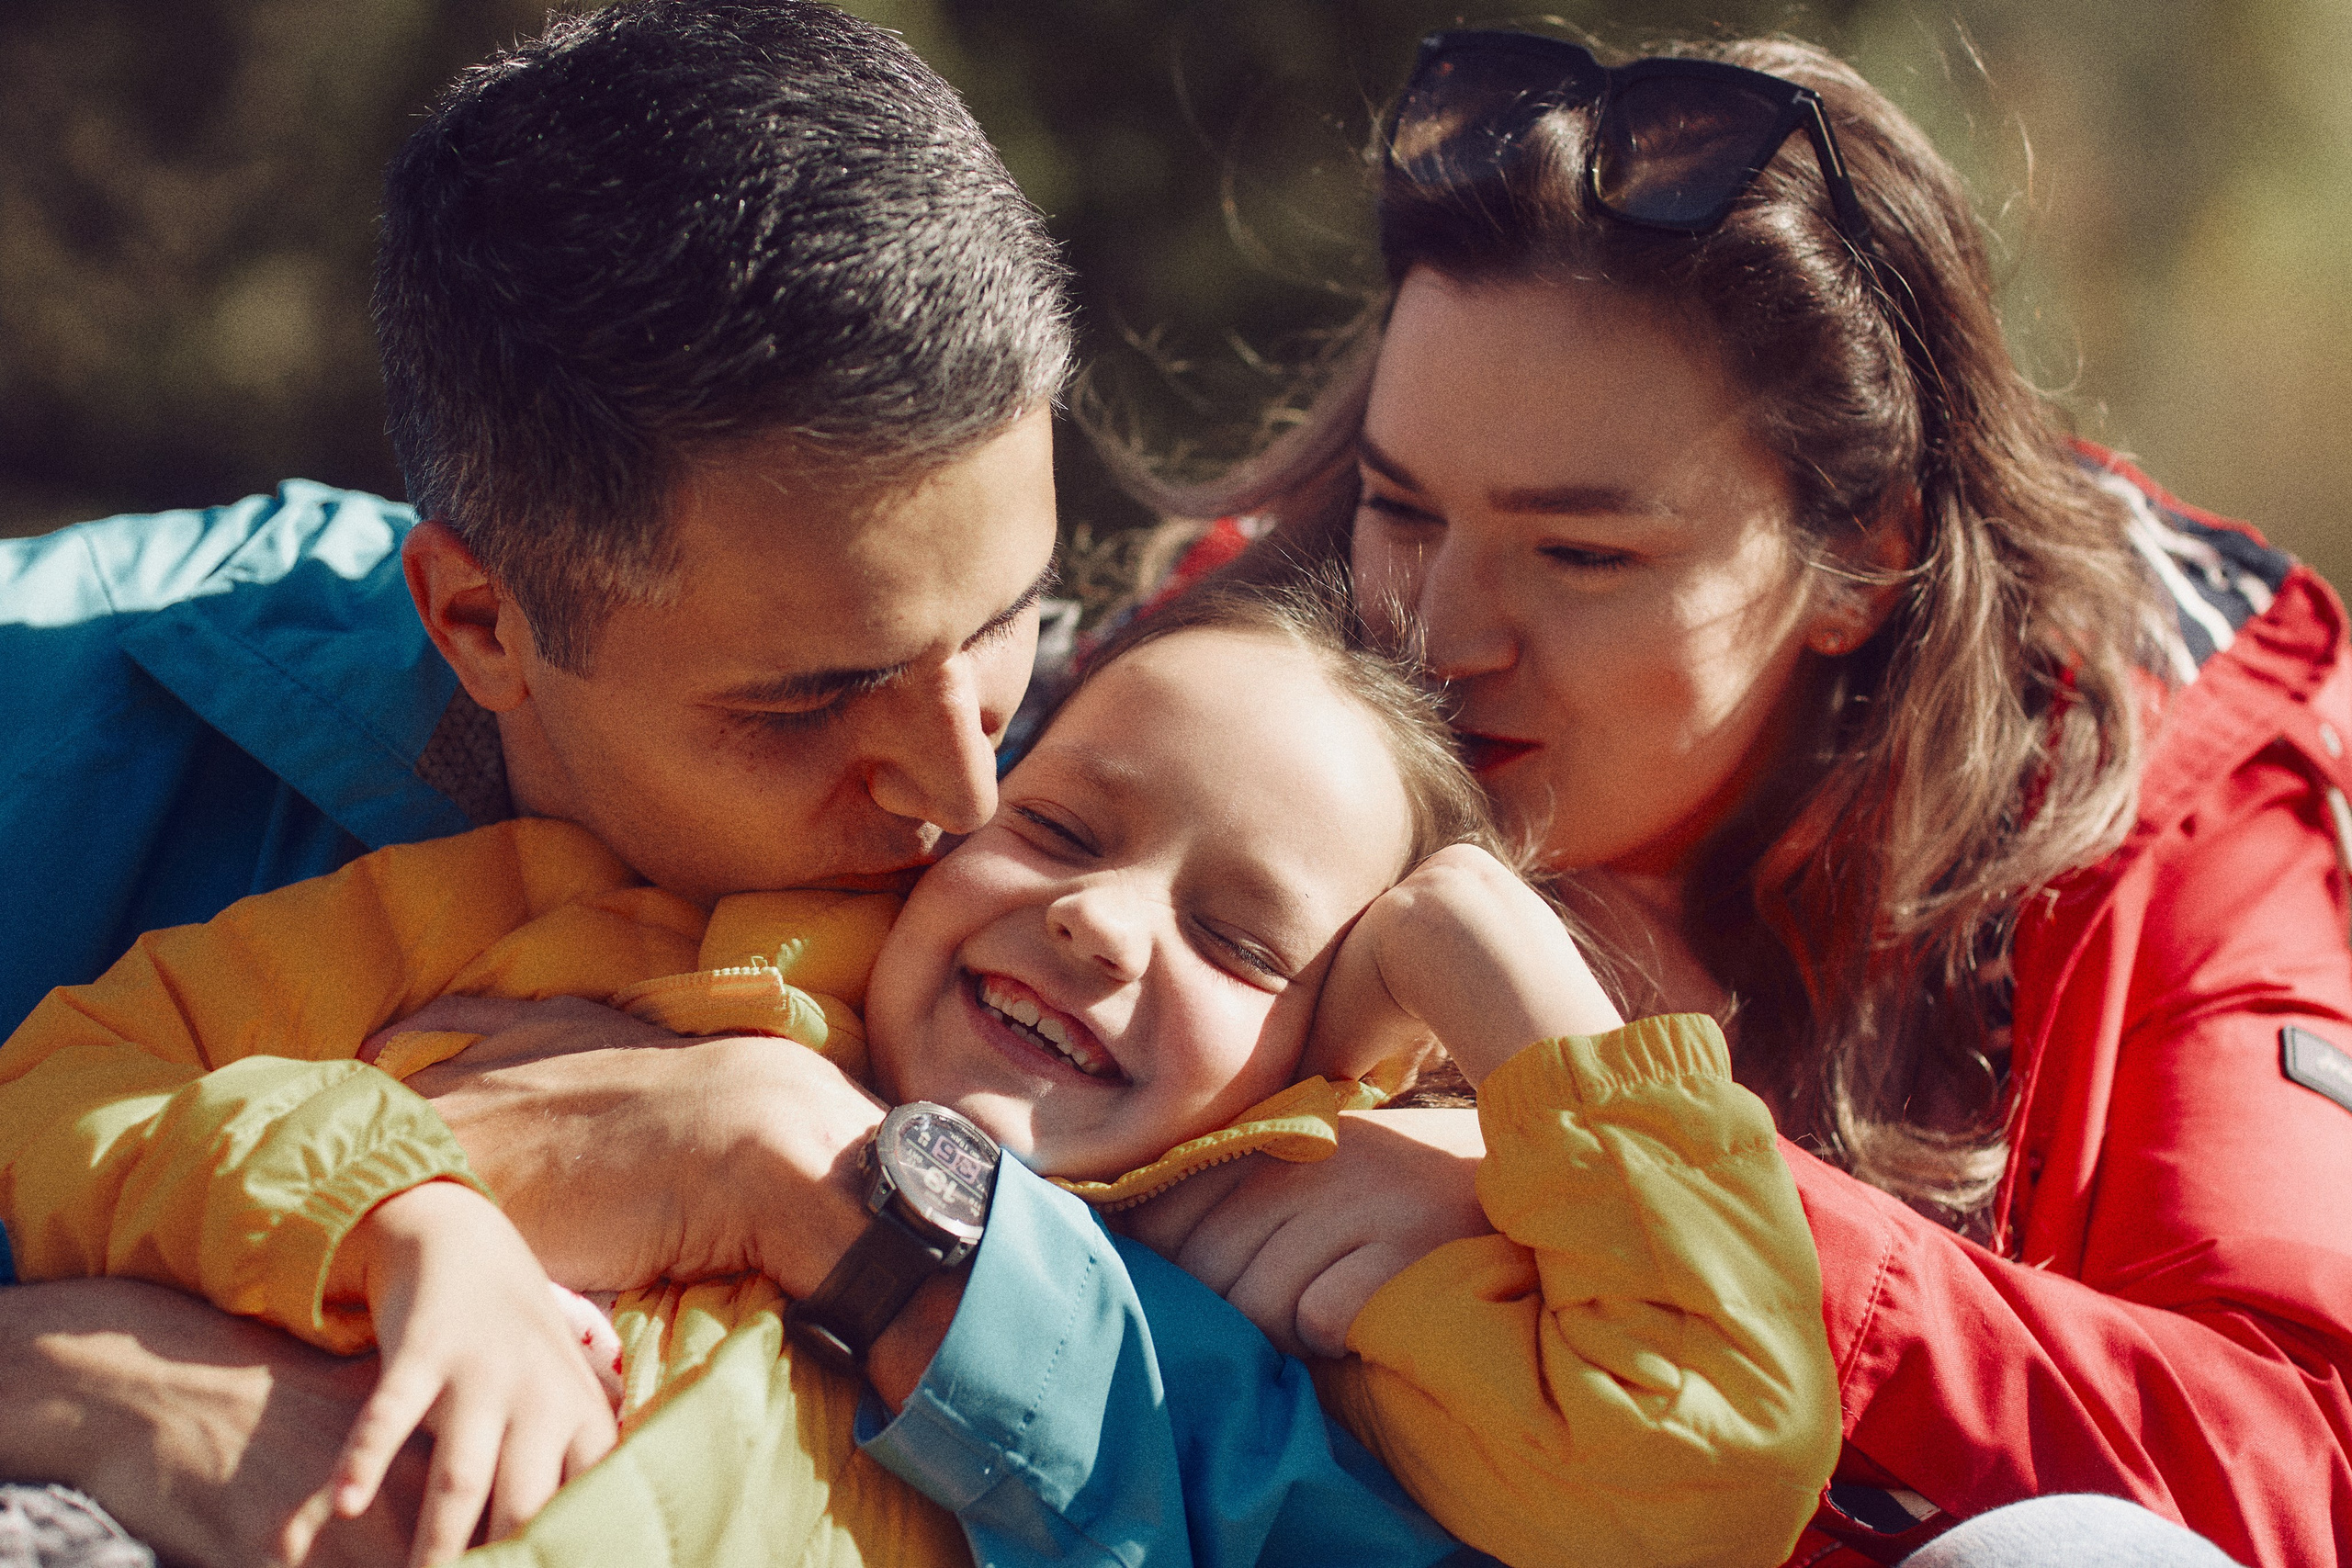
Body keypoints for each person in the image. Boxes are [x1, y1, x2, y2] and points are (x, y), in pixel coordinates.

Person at [0, 7, 1459, 1567]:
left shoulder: (1111, 854)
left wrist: (811, 1188)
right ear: (480, 623)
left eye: (1005, 627)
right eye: (812, 700)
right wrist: (84, 1377)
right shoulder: (47, 712)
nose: (964, 784)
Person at [1122, 28, 2352, 1568]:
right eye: (1400, 507)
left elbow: (2299, 1469)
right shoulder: (1218, 692)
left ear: (1865, 560)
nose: (1436, 635)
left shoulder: (2168, 796)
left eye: (1582, 555)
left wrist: (1625, 1188)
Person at [3, 580, 1840, 1568]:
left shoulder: (1264, 1277)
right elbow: (72, 1081)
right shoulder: (593, 925)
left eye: (1238, 939)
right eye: (1056, 826)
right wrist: (404, 1211)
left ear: (1327, 1061)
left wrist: (1489, 958)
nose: (1100, 926)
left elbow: (1700, 1466)